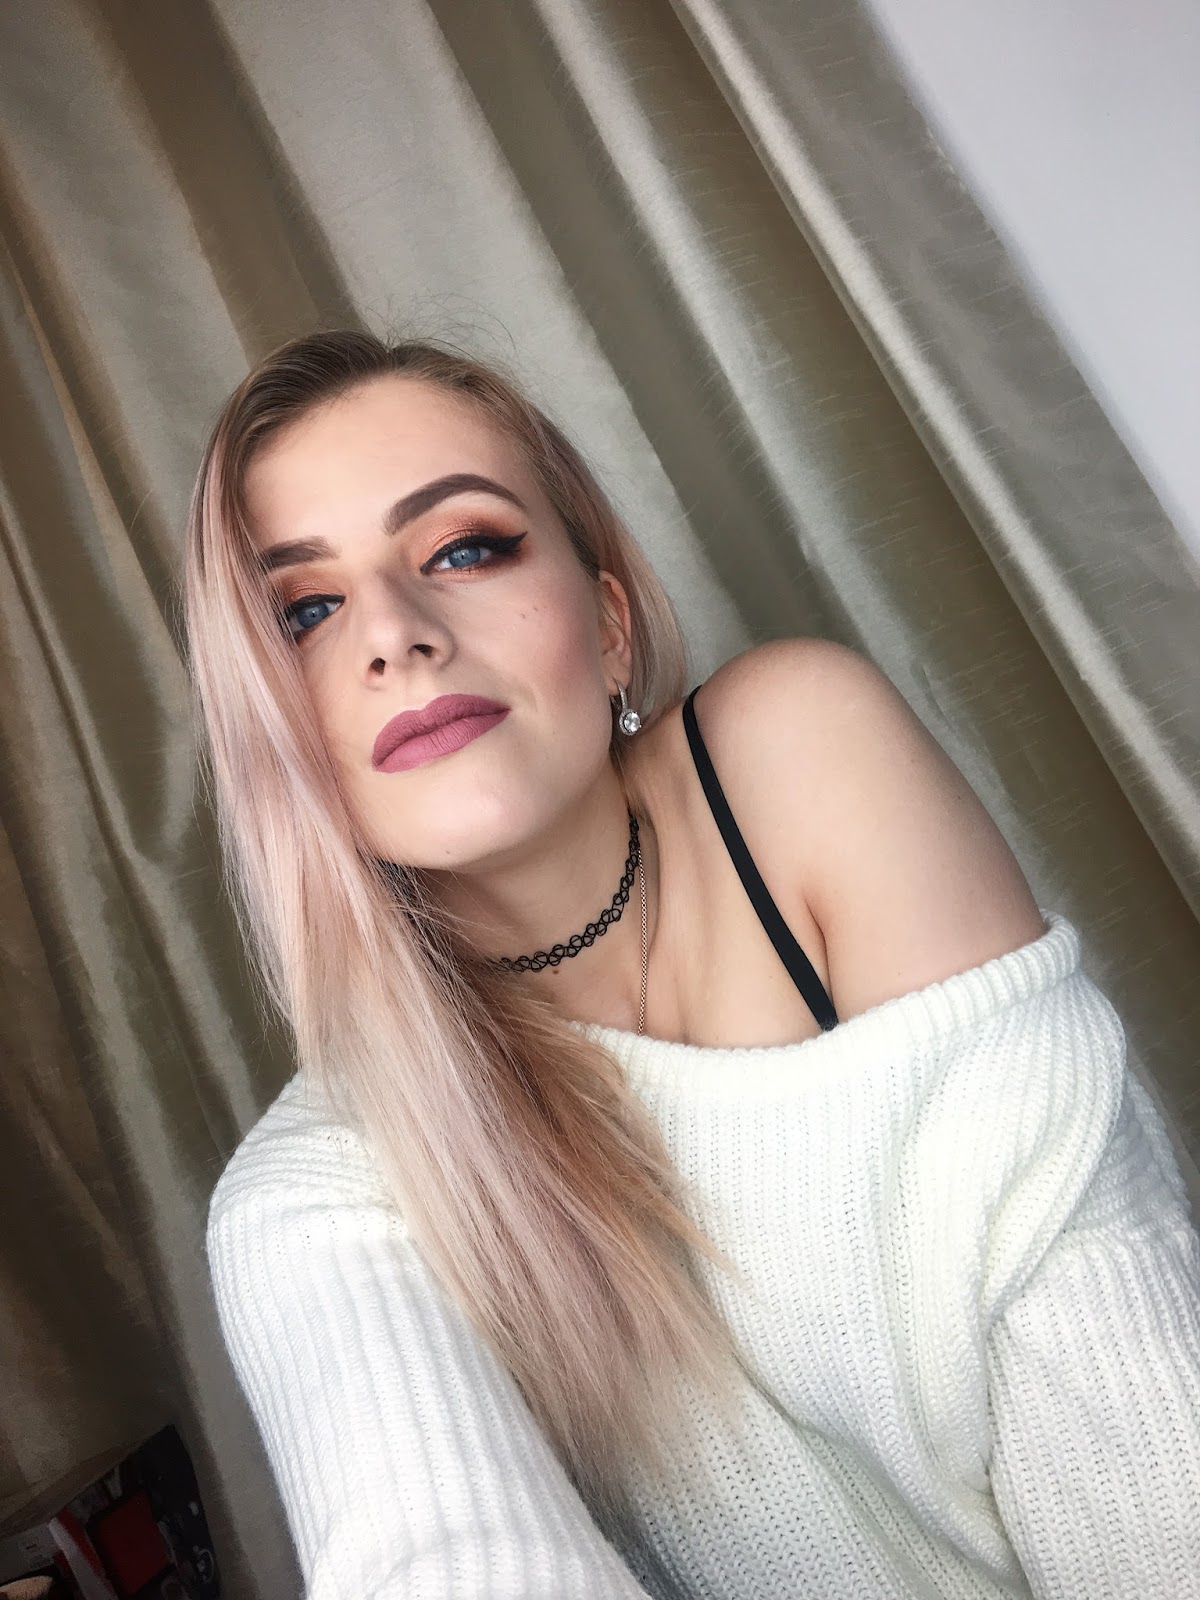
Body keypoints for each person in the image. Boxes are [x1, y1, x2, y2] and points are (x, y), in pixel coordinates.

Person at [190, 330, 1200, 1600]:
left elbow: (1115, 1357)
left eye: (465, 548)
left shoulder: (796, 755)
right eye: (306, 612)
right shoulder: (313, 1198)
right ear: (270, 735)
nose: (394, 633)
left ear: (611, 626)